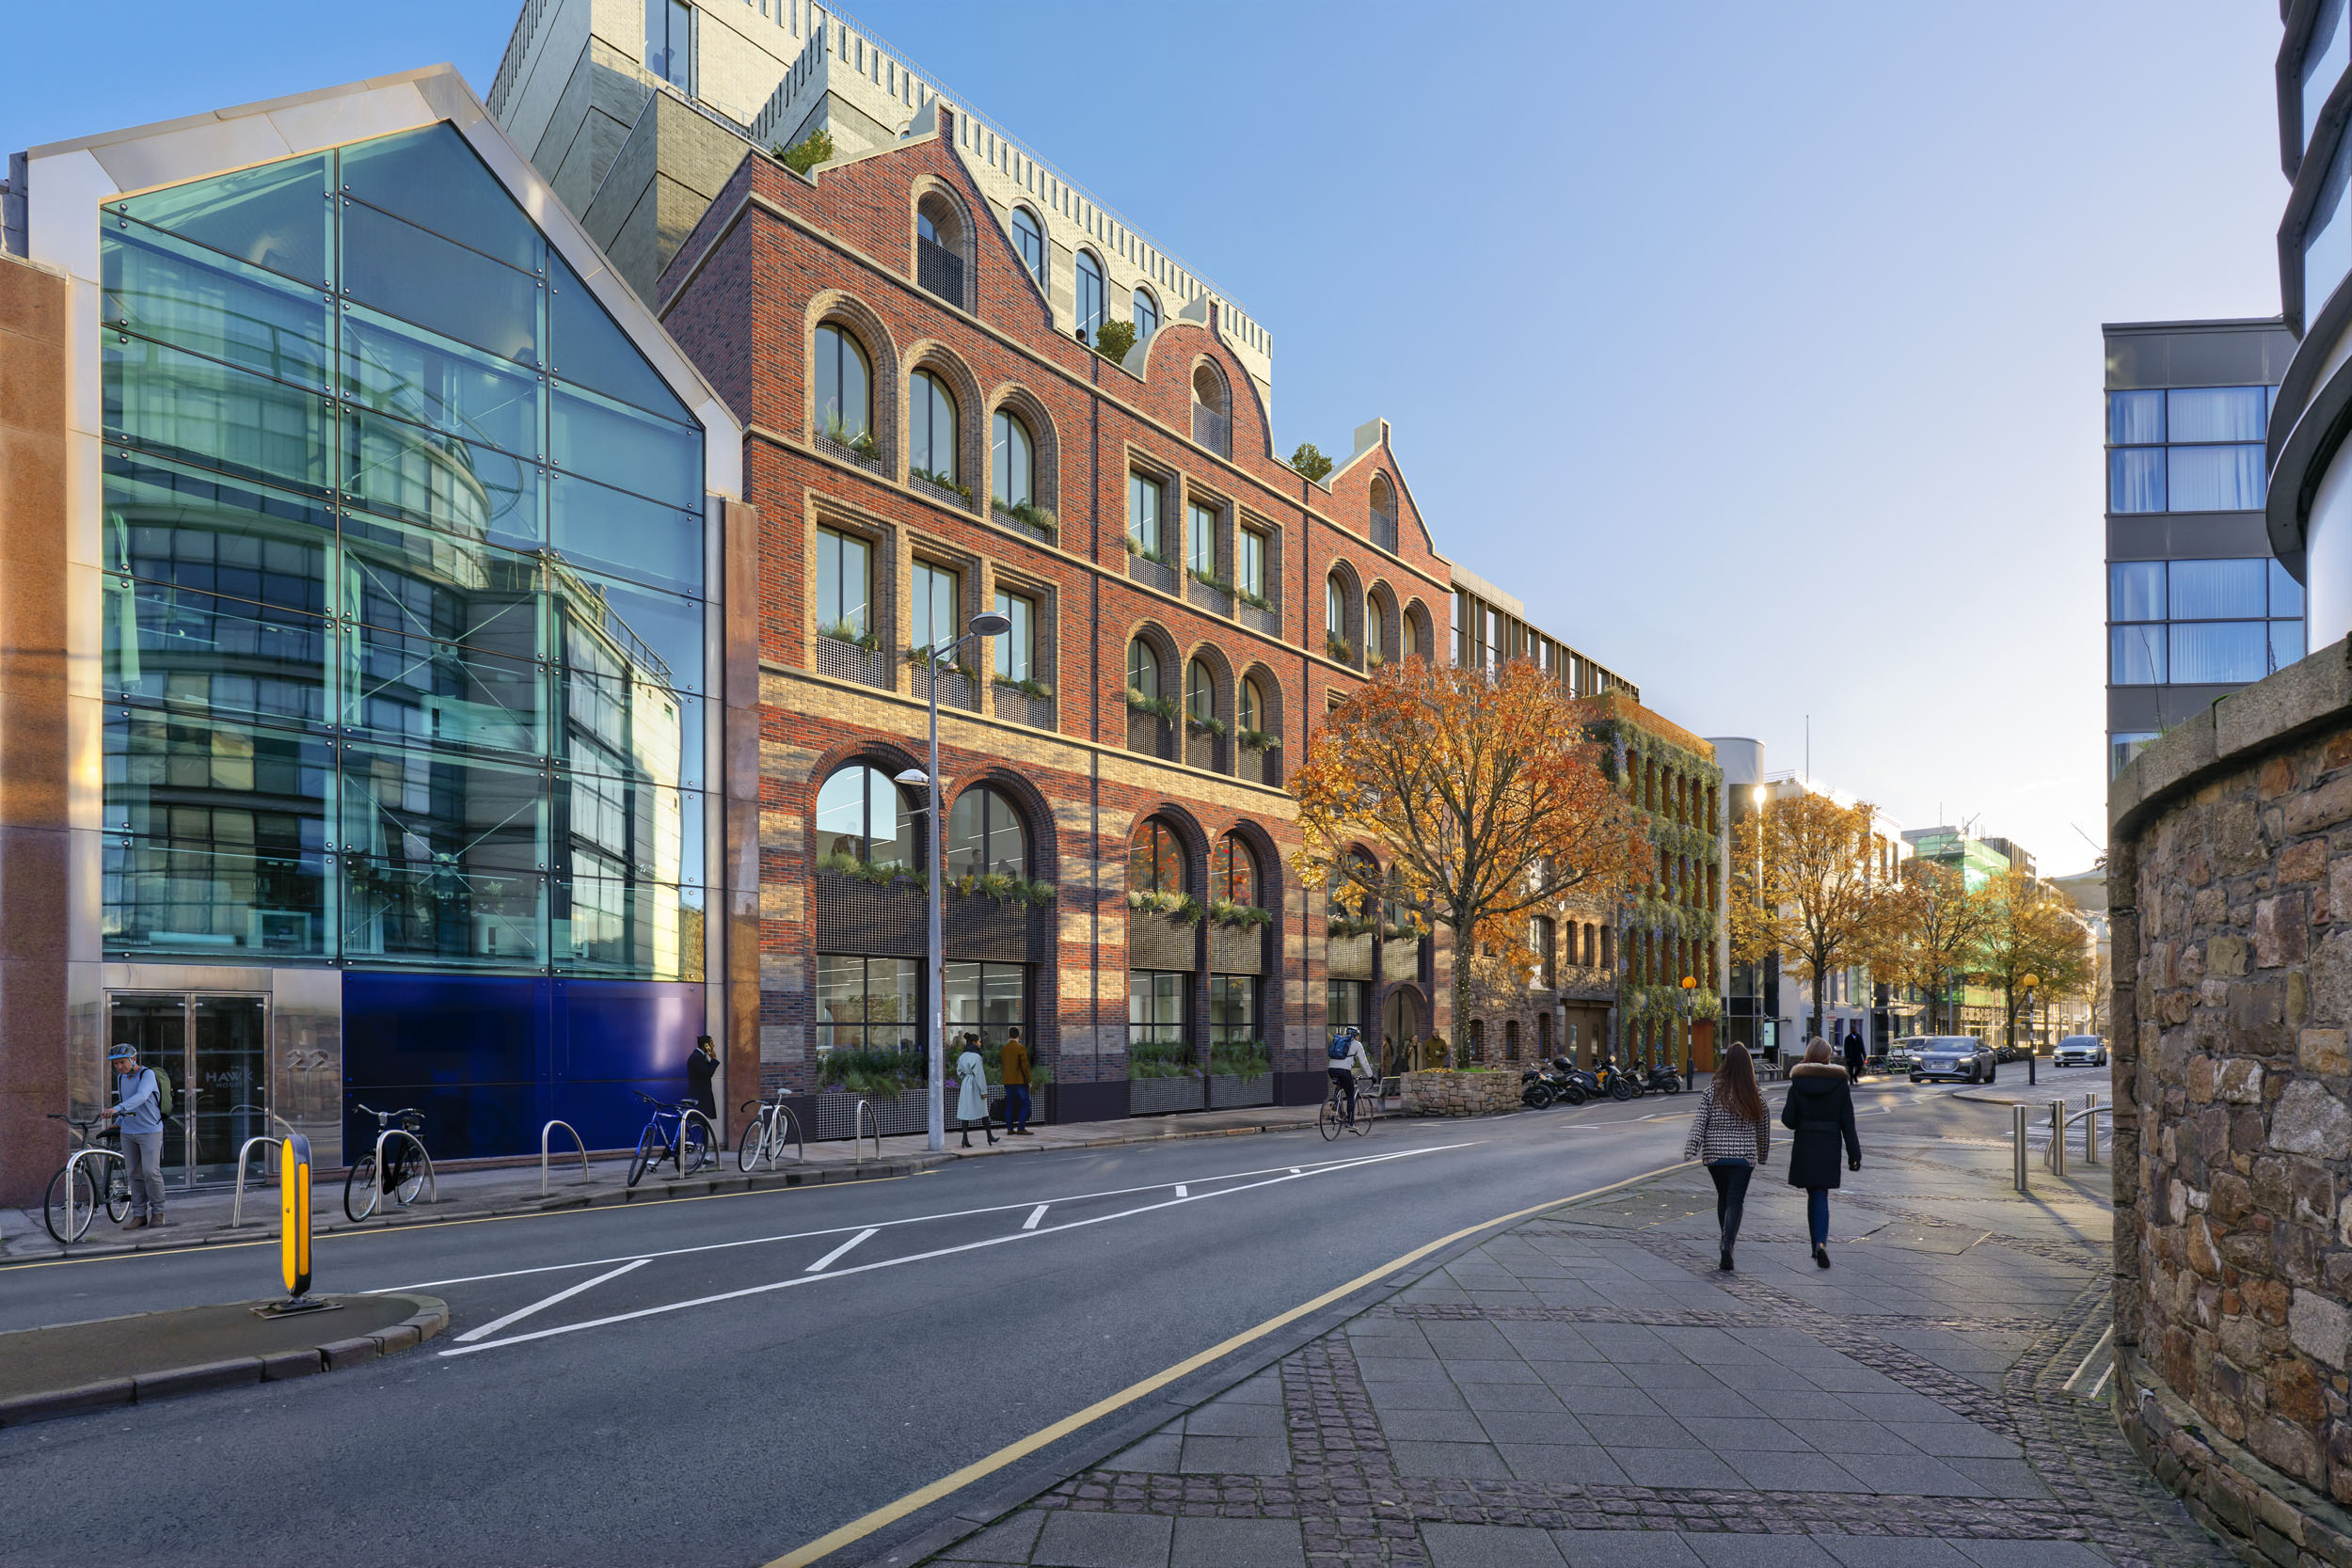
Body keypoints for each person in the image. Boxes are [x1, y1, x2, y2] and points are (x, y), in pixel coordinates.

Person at [1682, 1043, 1770, 1272]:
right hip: (1743, 1156)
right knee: (1735, 1199)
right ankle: (1727, 1243)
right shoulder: (1754, 1093)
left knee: (1724, 1195)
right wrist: (1762, 1154)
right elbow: (1764, 1125)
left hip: (1715, 1155)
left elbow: (1700, 1121)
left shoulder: (1712, 1091)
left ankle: (1725, 1241)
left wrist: (1691, 1147)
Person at [1782, 1037, 1862, 1268]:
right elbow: (1848, 1123)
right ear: (1827, 1057)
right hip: (1829, 1144)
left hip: (1806, 1143)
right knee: (1821, 1194)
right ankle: (1820, 1244)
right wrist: (1854, 1155)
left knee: (1812, 1193)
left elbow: (1788, 1120)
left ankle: (1816, 1245)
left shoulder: (1798, 1082)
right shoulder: (1839, 1083)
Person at [101, 1043, 166, 1229]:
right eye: (115, 1064)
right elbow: (125, 1101)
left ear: (133, 1060)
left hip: (149, 1131)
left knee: (150, 1172)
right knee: (134, 1174)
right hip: (129, 1132)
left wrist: (116, 1109)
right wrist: (119, 1121)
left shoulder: (147, 1075)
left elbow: (141, 1096)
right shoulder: (121, 1078)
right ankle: (139, 1215)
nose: (119, 1067)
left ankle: (158, 1212)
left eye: (122, 1063)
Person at [954, 1033, 995, 1148]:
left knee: (965, 1111)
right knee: (984, 1110)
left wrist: (966, 1078)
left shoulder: (962, 1056)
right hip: (975, 1084)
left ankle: (965, 1139)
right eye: (979, 1041)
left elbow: (959, 1071)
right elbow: (980, 1075)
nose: (980, 1044)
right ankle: (989, 1136)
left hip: (966, 1084)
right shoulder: (977, 1057)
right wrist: (983, 1091)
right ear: (974, 1042)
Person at [1327, 1027, 1374, 1126]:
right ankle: (1350, 1123)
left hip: (1331, 1069)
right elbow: (1364, 1062)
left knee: (1340, 1084)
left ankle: (1336, 1103)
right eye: (1358, 1036)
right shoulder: (1357, 1044)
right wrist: (1371, 1075)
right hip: (1344, 1071)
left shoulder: (1339, 1041)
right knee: (1350, 1095)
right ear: (1356, 1036)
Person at [1000, 1027, 1033, 1136]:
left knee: (1010, 1104)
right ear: (1019, 1036)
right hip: (1019, 1082)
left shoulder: (1004, 1049)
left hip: (1007, 1081)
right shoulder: (1020, 1048)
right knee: (1026, 1103)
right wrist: (1028, 1080)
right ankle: (1021, 1127)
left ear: (1009, 1036)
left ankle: (1009, 1128)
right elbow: (1025, 1066)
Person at [685, 1035, 719, 1131]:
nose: (714, 1046)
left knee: (702, 1124)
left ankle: (700, 1144)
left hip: (702, 1097)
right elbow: (708, 1073)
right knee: (696, 1124)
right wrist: (714, 1059)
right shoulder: (696, 1057)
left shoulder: (701, 1057)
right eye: (712, 1043)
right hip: (699, 1098)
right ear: (706, 1045)